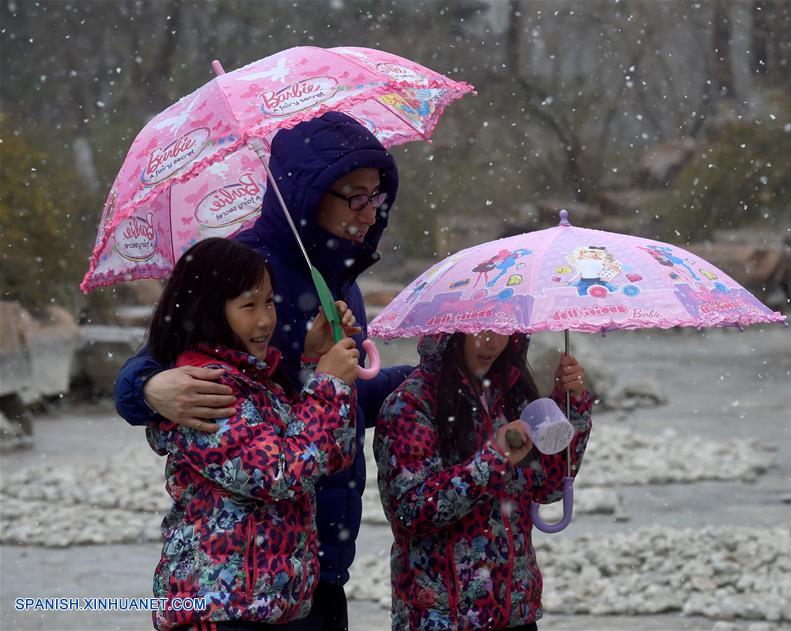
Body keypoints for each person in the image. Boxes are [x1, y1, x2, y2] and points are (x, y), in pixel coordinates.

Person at [115, 112, 412, 630]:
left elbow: (335, 404)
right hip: (241, 583)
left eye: (377, 198)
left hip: (313, 562)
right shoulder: (242, 269)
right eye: (355, 197)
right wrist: (147, 387)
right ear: (310, 191)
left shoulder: (342, 283)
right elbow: (160, 365)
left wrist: (422, 380)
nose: (369, 213)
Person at [145, 237, 361, 630]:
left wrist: (315, 364)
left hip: (268, 607)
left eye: (268, 302)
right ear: (209, 310)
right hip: (220, 612)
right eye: (249, 305)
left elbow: (333, 455)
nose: (265, 320)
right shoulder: (202, 389)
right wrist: (328, 385)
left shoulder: (259, 382)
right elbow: (278, 474)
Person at [374, 331, 593, 630]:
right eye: (481, 331)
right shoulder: (410, 405)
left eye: (502, 330)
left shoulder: (511, 392)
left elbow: (549, 487)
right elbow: (411, 512)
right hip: (442, 617)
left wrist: (572, 405)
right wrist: (495, 459)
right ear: (451, 333)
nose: (492, 343)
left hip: (514, 612)